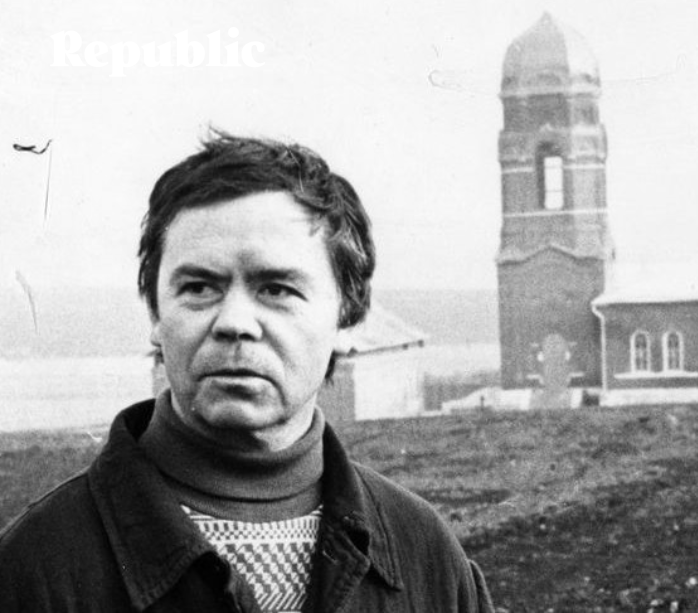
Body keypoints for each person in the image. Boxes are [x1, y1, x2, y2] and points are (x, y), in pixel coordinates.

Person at [0, 132, 495, 612]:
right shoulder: (34, 569)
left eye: (277, 289)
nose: (234, 322)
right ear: (155, 314)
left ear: (347, 319)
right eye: (199, 287)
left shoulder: (426, 556)